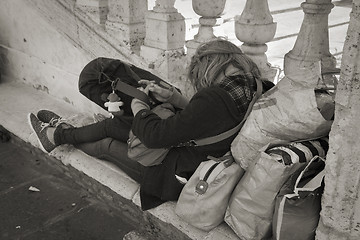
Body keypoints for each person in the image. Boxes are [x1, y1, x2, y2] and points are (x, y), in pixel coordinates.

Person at [28, 38, 274, 210]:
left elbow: (154, 137)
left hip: (176, 175)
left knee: (106, 143)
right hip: (202, 155)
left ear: (210, 68)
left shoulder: (215, 96)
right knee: (112, 127)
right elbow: (213, 118)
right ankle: (62, 132)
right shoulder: (256, 85)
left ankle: (56, 136)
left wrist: (140, 105)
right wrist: (175, 99)